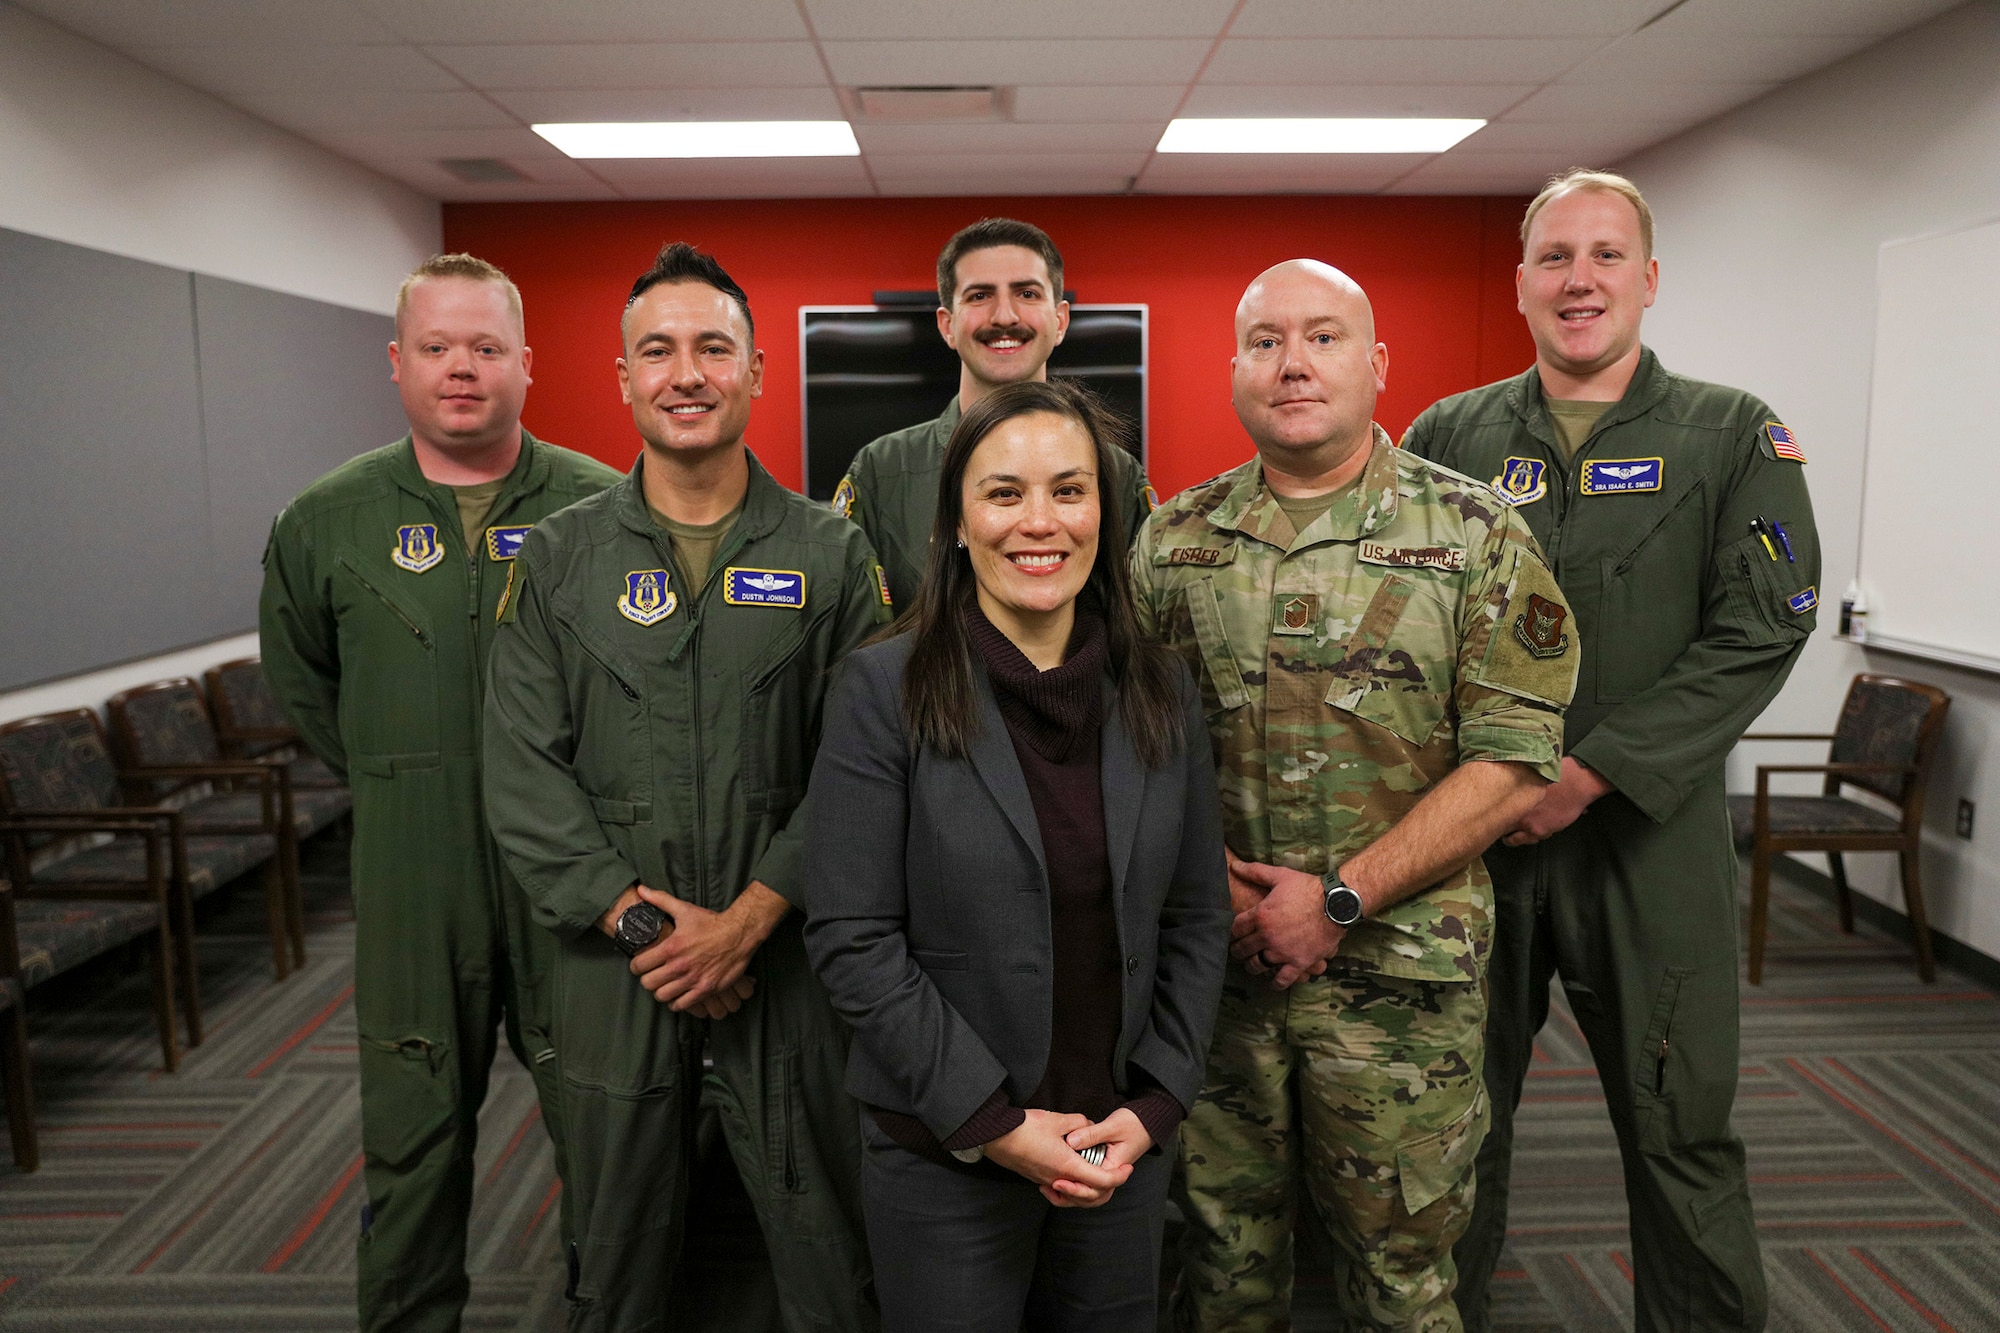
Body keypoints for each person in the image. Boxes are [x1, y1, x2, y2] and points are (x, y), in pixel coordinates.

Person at [1402, 169, 1821, 1333]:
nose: (1576, 280)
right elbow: (1402, 625)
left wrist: (1587, 772)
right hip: (1472, 843)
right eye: (1552, 257)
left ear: (1645, 280)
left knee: (1677, 1123)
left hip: (1649, 837)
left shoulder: (1731, 434)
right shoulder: (1450, 432)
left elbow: (1761, 629)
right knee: (1446, 1124)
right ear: (1521, 282)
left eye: (1601, 256)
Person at [1132, 259, 1581, 1331]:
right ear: (1234, 369)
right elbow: (1129, 755)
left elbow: (1515, 761)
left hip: (1399, 991)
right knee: (1220, 1270)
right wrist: (1216, 890)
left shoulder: (1474, 532)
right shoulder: (1172, 540)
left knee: (1400, 1280)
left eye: (1323, 337)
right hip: (1219, 978)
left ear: (1375, 364)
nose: (1293, 363)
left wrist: (1335, 899)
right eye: (1266, 341)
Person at [483, 242, 889, 1333]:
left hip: (790, 973)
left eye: (713, 348)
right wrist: (651, 929)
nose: (686, 372)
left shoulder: (829, 553)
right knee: (613, 1263)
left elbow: (864, 770)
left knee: (827, 1259)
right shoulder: (560, 558)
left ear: (756, 369)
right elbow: (523, 774)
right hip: (614, 979)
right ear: (623, 378)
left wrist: (748, 922)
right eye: (656, 351)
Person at [803, 377, 1232, 1332]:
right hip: (946, 1148)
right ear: (957, 521)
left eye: (1069, 490)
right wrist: (994, 1124)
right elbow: (852, 937)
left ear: (1105, 515)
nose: (1039, 521)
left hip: (1115, 1142)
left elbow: (1198, 915)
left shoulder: (1159, 686)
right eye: (1003, 492)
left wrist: (1158, 1101)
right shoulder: (884, 689)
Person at [260, 253, 621, 1331]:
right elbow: (305, 685)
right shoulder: (327, 519)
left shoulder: (602, 507)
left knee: (610, 1141)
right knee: (412, 1141)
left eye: (484, 347)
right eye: (436, 347)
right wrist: (409, 774)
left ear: (525, 361)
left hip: (573, 883)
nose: (460, 368)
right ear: (397, 362)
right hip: (414, 880)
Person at [832, 217, 1153, 610]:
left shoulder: (1115, 471)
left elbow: (1135, 622)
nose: (1004, 316)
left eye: (1028, 294)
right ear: (947, 326)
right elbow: (856, 632)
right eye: (980, 296)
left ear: (1060, 320)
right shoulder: (881, 471)